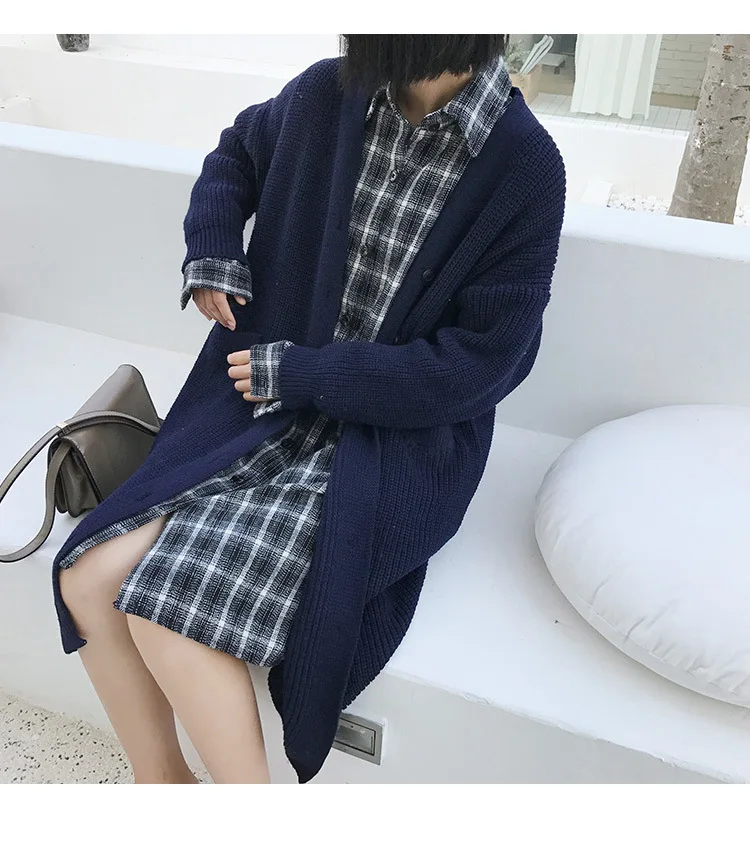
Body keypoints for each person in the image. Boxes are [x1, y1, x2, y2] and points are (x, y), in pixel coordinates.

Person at [54, 34, 565, 784]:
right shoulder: (329, 91)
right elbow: (237, 153)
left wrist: (305, 374)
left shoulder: (525, 166)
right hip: (256, 403)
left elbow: (478, 369)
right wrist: (213, 250)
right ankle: (162, 785)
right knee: (86, 581)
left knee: (168, 616)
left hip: (387, 441)